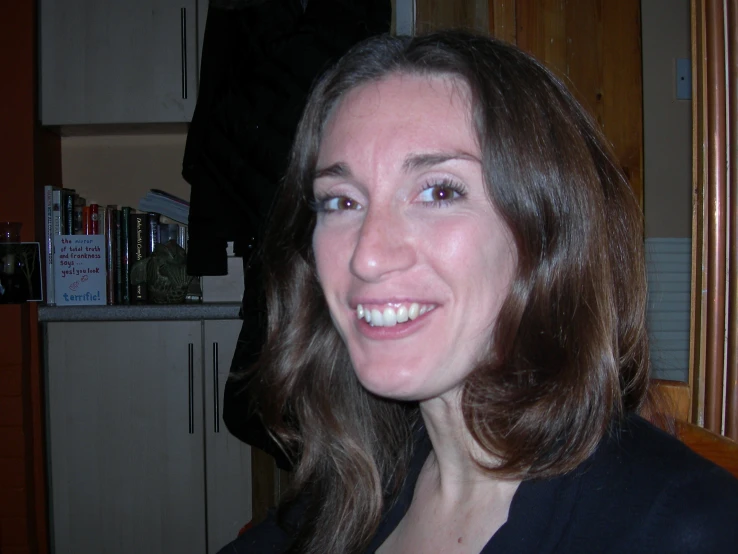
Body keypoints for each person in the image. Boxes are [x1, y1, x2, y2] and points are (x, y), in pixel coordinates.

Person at [219, 30, 738, 554]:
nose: (367, 255)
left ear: (547, 234)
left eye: (439, 191)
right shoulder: (357, 489)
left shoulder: (684, 528)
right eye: (341, 202)